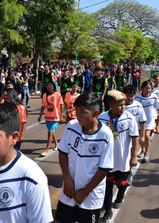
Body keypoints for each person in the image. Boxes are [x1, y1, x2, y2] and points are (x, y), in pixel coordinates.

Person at [55, 92, 114, 223]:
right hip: (69, 190)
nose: (78, 115)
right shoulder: (71, 126)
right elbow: (63, 153)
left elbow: (104, 168)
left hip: (91, 195)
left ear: (96, 113)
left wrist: (86, 191)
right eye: (76, 111)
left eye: (83, 112)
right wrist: (67, 178)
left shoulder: (106, 135)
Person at [98, 90, 139, 222]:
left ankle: (120, 196)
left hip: (123, 160)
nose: (123, 107)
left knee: (121, 184)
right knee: (107, 186)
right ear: (111, 105)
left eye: (124, 104)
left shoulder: (129, 117)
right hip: (107, 161)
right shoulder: (102, 118)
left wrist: (134, 156)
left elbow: (135, 138)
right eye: (120, 105)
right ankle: (108, 211)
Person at [135, 80, 159, 162]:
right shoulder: (137, 97)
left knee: (146, 136)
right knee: (141, 136)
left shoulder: (154, 97)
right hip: (140, 121)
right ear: (142, 89)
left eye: (149, 88)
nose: (148, 90)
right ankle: (142, 150)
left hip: (150, 120)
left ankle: (146, 152)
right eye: (146, 88)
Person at [38, 82, 63, 157]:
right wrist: (40, 116)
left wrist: (61, 116)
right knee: (51, 131)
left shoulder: (57, 95)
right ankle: (56, 143)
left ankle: (46, 150)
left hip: (55, 117)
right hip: (47, 117)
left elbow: (61, 106)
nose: (48, 87)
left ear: (54, 87)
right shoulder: (44, 95)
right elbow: (43, 106)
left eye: (50, 85)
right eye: (47, 85)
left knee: (50, 133)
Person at [124, 85, 147, 155]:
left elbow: (142, 122)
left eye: (132, 96)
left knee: (132, 153)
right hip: (123, 134)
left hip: (134, 134)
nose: (130, 98)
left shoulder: (138, 105)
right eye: (127, 95)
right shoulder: (119, 105)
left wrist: (142, 136)